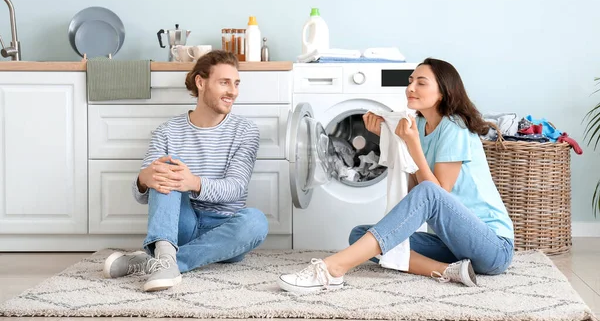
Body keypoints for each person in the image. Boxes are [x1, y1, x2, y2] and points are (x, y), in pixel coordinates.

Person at [278, 58, 514, 294]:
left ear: (443, 92)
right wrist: (397, 141)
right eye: (410, 81)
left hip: (493, 248)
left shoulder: (455, 127)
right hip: (452, 245)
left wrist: (411, 144)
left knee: (428, 194)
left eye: (421, 83)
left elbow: (438, 194)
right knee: (359, 236)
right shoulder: (419, 126)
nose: (410, 88)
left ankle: (332, 268)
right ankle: (447, 271)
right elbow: (415, 193)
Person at [103, 50, 268, 292]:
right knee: (166, 167)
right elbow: (142, 194)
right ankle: (166, 255)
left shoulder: (246, 131)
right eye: (224, 83)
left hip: (225, 231)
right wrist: (142, 180)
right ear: (201, 83)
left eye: (236, 83)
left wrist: (194, 183)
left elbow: (236, 188)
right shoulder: (167, 131)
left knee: (256, 222)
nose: (233, 91)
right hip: (179, 225)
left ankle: (159, 262)